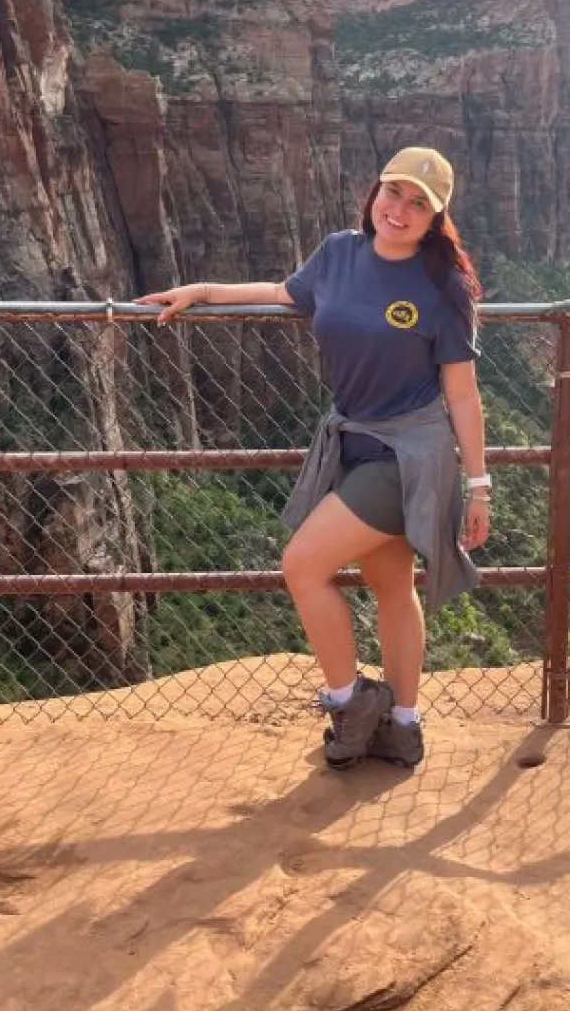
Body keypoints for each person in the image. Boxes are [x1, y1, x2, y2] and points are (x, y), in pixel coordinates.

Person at [136, 146, 490, 770]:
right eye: (393, 192)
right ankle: (403, 726)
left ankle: (350, 702)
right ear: (374, 191)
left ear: (436, 219)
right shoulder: (338, 253)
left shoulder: (444, 286)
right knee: (389, 586)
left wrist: (480, 484)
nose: (399, 211)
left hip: (409, 453)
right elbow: (283, 291)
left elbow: (461, 392)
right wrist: (201, 290)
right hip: (353, 443)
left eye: (418, 204)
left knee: (302, 565)